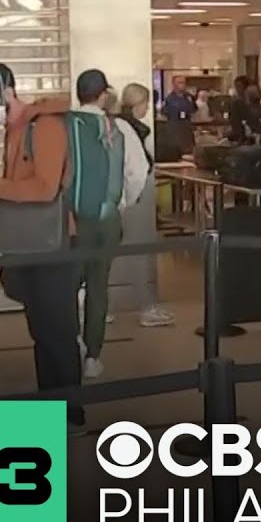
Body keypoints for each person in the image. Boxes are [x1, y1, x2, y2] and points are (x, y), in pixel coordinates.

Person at [0, 62, 86, 435]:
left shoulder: (45, 127)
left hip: (54, 243)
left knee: (58, 331)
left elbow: (44, 189)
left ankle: (71, 413)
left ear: (6, 92)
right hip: (31, 244)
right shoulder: (14, 130)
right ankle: (51, 404)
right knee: (41, 331)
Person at [74, 72, 147, 380]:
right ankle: (93, 355)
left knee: (64, 285)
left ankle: (69, 342)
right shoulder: (120, 129)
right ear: (103, 95)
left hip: (68, 221)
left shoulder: (63, 126)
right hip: (105, 218)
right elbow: (137, 172)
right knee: (98, 286)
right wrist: (122, 202)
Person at [116, 82, 176, 329]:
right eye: (145, 103)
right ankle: (146, 307)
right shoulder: (132, 129)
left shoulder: (116, 125)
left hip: (121, 199)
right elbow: (138, 169)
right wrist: (133, 197)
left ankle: (106, 306)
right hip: (133, 198)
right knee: (138, 253)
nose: (147, 109)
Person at [228, 76, 261, 143]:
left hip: (247, 138)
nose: (237, 89)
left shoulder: (239, 104)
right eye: (236, 87)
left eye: (239, 86)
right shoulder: (258, 108)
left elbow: (238, 124)